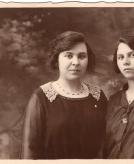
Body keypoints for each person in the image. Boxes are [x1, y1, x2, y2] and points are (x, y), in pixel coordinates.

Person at [21, 31, 107, 159]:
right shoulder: (41, 98)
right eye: (69, 56)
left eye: (82, 56)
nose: (76, 62)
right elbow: (29, 153)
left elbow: (108, 147)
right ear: (57, 59)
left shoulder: (98, 96)